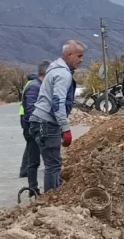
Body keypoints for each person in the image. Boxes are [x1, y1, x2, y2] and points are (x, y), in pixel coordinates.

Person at [30, 40, 85, 193]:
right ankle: (50, 203)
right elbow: (57, 103)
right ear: (69, 54)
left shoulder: (55, 69)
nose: (81, 60)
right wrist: (65, 128)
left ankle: (53, 196)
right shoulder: (63, 74)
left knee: (52, 163)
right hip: (46, 123)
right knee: (53, 165)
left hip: (40, 121)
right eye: (79, 56)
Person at [19, 62, 49, 192]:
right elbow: (31, 110)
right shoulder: (34, 87)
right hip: (32, 128)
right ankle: (33, 190)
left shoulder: (40, 86)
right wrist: (37, 128)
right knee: (33, 160)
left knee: (38, 159)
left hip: (36, 127)